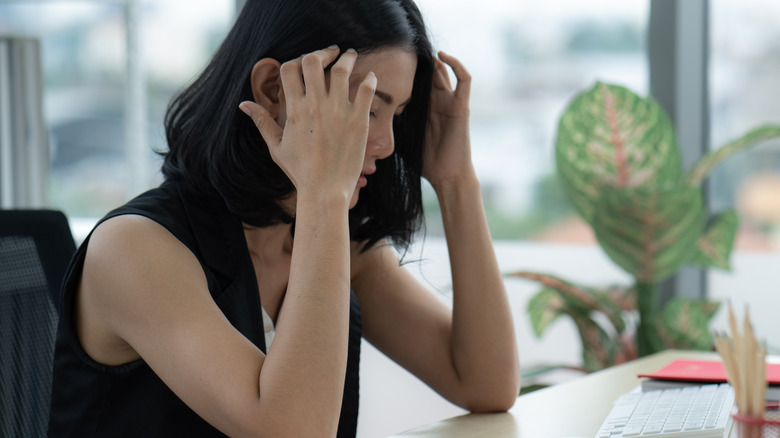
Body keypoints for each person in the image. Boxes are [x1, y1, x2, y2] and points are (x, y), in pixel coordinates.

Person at [48, 0, 521, 436]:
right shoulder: (133, 250)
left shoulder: (333, 244)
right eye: (369, 111)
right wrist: (324, 195)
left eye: (397, 116)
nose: (387, 146)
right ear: (276, 90)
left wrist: (456, 180)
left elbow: (485, 382)